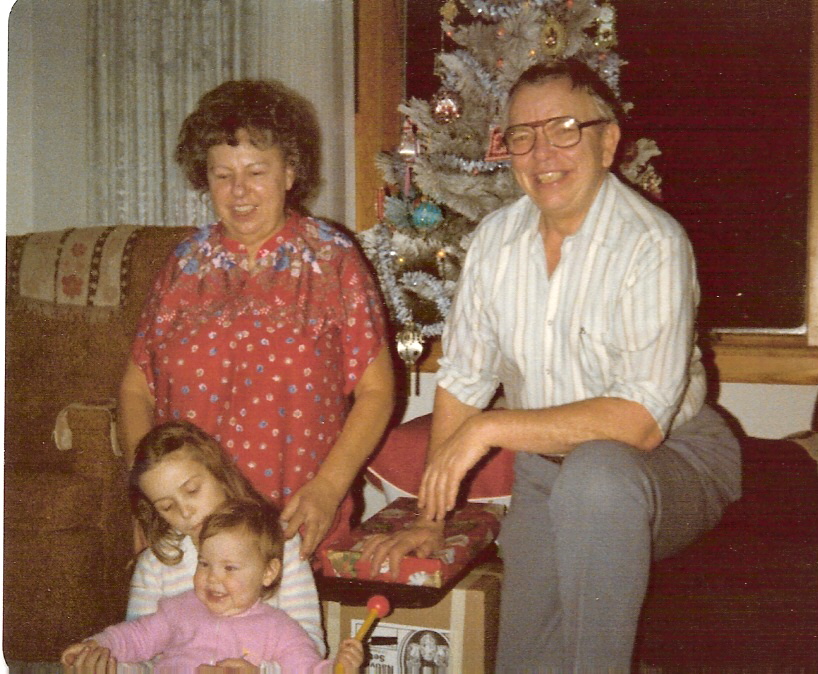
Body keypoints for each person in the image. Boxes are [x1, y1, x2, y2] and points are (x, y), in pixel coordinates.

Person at [362, 59, 741, 671]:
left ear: (608, 140)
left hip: (673, 458)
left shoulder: (652, 243)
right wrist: (435, 517)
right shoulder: (494, 242)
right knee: (526, 659)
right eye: (522, 136)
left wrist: (490, 428)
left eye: (564, 128)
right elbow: (462, 383)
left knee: (597, 477)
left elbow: (640, 422)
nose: (543, 153)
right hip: (548, 469)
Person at [119, 78, 394, 560]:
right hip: (189, 530)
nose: (239, 191)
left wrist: (329, 488)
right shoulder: (183, 263)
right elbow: (135, 388)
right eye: (222, 175)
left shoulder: (333, 260)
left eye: (255, 171)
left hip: (291, 523)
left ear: (289, 172)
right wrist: (151, 500)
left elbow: (376, 391)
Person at [61, 499, 363, 673]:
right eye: (204, 563)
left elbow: (306, 671)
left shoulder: (280, 629)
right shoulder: (180, 608)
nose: (213, 578)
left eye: (229, 568)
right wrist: (98, 645)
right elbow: (135, 637)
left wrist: (339, 667)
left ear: (268, 573)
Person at [127, 420, 324, 653]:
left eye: (192, 491)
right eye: (167, 506)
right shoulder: (154, 565)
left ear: (218, 473)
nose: (186, 512)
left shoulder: (282, 543)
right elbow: (135, 649)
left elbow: (309, 647)